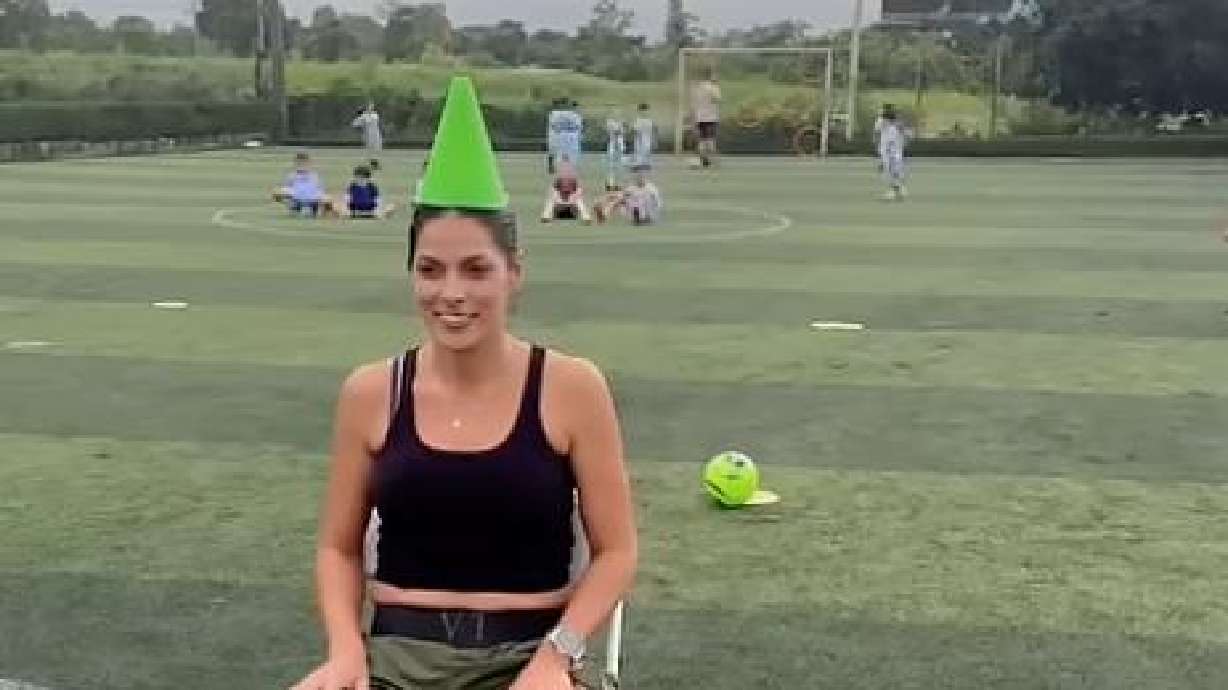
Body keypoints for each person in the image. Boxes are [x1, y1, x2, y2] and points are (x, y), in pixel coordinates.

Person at [291, 76, 636, 690]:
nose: (451, 293)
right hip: (397, 660)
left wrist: (557, 658)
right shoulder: (372, 392)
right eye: (430, 270)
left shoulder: (571, 387)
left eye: (476, 270)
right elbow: (338, 548)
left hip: (529, 659)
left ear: (514, 273)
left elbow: (616, 552)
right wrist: (346, 653)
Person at [274, 152, 337, 218]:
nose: (301, 165)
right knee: (277, 192)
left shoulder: (314, 176)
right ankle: (293, 208)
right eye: (299, 162)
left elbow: (321, 189)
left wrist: (318, 197)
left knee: (328, 198)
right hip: (297, 198)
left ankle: (321, 212)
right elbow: (286, 188)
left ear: (308, 163)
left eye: (304, 162)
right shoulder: (291, 176)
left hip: (312, 199)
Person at [873, 103, 910, 201]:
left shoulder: (896, 123)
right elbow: (877, 133)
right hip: (887, 150)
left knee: (894, 171)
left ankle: (896, 190)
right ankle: (896, 190)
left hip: (894, 150)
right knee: (890, 171)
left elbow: (905, 134)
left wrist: (904, 144)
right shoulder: (882, 121)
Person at [691, 69, 722, 168]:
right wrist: (716, 87)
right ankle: (713, 160)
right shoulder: (713, 87)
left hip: (700, 116)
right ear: (710, 76)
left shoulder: (698, 88)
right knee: (710, 139)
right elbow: (717, 99)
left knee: (702, 139)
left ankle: (704, 160)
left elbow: (695, 102)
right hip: (710, 117)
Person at [351, 103, 383, 167]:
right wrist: (361, 118)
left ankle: (374, 163)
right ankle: (372, 163)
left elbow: (373, 118)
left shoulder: (374, 115)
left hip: (375, 135)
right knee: (371, 150)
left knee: (376, 150)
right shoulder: (363, 117)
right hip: (369, 136)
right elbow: (354, 124)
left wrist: (368, 112)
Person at [603, 108, 626, 190]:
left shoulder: (620, 123)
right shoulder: (609, 122)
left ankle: (618, 184)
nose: (615, 115)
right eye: (613, 113)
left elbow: (621, 132)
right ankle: (610, 183)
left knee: (619, 165)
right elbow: (611, 131)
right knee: (611, 165)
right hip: (612, 144)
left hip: (618, 145)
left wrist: (619, 128)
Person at [630, 103, 656, 173]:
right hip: (639, 140)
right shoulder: (637, 120)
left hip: (647, 140)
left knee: (647, 152)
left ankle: (646, 165)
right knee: (639, 152)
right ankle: (638, 165)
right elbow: (635, 131)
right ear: (639, 111)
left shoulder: (649, 121)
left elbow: (652, 131)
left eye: (646, 110)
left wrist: (653, 140)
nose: (644, 112)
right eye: (642, 110)